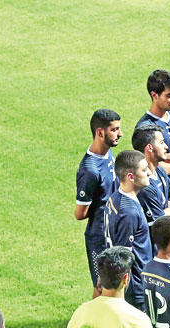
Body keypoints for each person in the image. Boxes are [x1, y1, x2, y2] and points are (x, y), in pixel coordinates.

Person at [75, 109, 121, 290]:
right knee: (102, 287)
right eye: (115, 129)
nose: (120, 134)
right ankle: (90, 319)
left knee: (117, 285)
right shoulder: (90, 169)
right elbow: (79, 213)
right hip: (100, 237)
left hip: (114, 229)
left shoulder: (107, 153)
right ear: (100, 133)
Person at [103, 151, 153, 309]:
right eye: (144, 170)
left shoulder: (115, 198)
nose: (150, 173)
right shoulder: (129, 213)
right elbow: (124, 258)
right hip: (136, 289)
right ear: (131, 177)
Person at [135, 69, 170, 186]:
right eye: (169, 95)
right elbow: (151, 166)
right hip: (164, 191)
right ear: (154, 95)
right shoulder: (145, 129)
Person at [131, 124, 170, 223]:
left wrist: (165, 212)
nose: (166, 147)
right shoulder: (144, 186)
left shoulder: (160, 172)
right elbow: (160, 222)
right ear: (150, 148)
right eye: (162, 142)